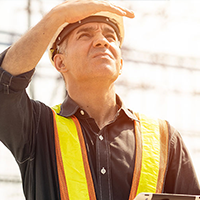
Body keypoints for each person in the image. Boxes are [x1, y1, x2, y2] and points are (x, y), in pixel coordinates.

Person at [0, 0, 199, 200]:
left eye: (110, 36)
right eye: (85, 34)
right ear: (60, 62)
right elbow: (5, 86)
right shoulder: (37, 128)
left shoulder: (165, 139)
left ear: (120, 64)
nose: (102, 41)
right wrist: (56, 17)